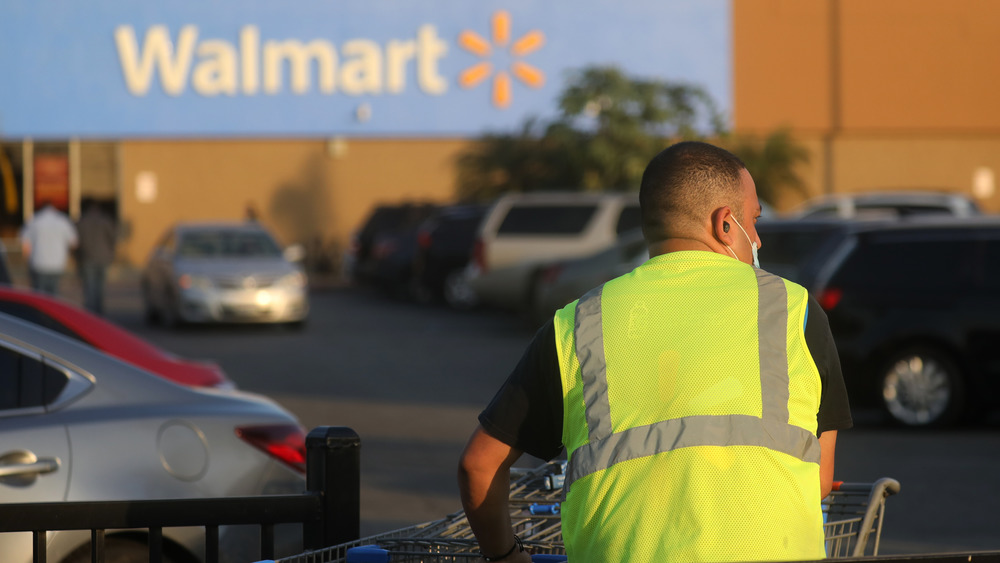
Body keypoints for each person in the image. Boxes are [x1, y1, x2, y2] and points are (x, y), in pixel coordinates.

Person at [457, 141, 853, 563]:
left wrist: (504, 556)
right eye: (754, 221)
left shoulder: (577, 323)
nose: (756, 238)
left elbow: (478, 467)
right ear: (725, 224)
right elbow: (820, 479)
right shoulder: (794, 309)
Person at [20, 201, 78, 296]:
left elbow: (25, 244)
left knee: (38, 295)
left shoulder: (34, 220)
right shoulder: (63, 220)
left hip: (38, 263)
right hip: (57, 264)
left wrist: (26, 261)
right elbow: (73, 242)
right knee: (53, 295)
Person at [76, 200, 117, 314]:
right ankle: (99, 313)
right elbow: (113, 238)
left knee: (89, 287)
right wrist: (111, 253)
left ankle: (90, 314)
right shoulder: (105, 220)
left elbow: (76, 242)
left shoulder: (82, 221)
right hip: (103, 257)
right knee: (100, 287)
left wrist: (77, 257)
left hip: (87, 257)